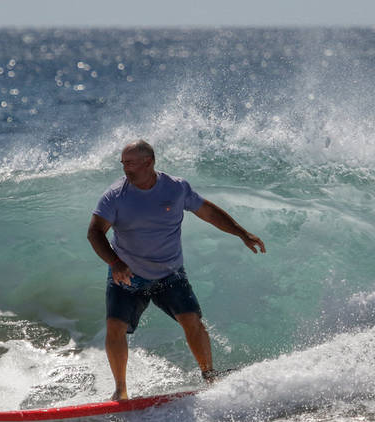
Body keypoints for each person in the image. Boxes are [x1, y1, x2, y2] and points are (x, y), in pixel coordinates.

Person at [87, 140, 266, 401]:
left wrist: (241, 233)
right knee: (115, 327)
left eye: (130, 163)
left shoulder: (176, 187)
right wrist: (115, 263)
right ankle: (120, 391)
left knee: (192, 321)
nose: (125, 168)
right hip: (128, 273)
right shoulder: (115, 195)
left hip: (170, 273)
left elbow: (207, 212)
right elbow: (94, 233)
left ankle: (209, 376)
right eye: (123, 163)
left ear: (148, 162)